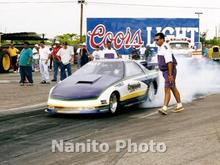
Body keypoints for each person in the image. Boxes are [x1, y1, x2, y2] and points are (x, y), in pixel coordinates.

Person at [155, 32, 184, 115]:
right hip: (165, 71)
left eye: (157, 39)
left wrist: (170, 75)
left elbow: (170, 62)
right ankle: (179, 105)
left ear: (162, 39)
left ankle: (164, 108)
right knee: (172, 87)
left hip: (169, 71)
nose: (156, 41)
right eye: (155, 40)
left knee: (167, 88)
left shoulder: (165, 47)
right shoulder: (160, 47)